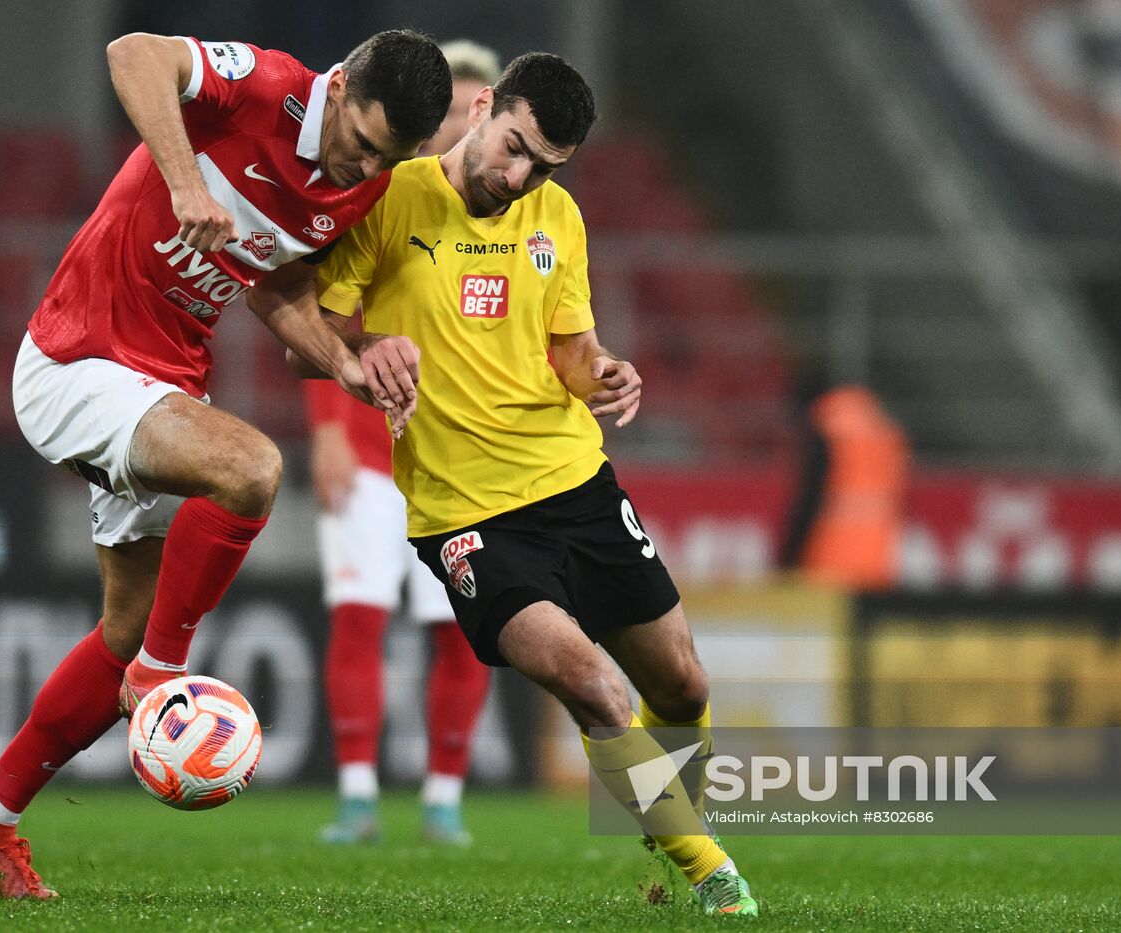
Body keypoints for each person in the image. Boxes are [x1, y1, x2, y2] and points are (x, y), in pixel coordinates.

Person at [0, 30, 452, 900]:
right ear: (339, 85)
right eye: (360, 140)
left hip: (161, 382)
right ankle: (166, 674)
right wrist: (182, 180)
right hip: (79, 361)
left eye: (384, 158)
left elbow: (273, 283)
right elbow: (132, 52)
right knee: (251, 468)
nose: (361, 163)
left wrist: (348, 365)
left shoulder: (361, 189)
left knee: (124, 632)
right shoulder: (266, 87)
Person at [301, 52, 759, 917]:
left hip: (573, 480)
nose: (518, 177)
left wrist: (607, 372)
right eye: (513, 148)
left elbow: (573, 353)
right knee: (593, 685)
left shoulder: (556, 217)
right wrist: (360, 352)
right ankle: (709, 870)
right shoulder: (392, 198)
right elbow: (308, 338)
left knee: (686, 687)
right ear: (483, 108)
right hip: (466, 513)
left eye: (542, 166)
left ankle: (671, 827)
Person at [303, 39, 501, 848]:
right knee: (359, 619)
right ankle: (357, 794)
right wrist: (324, 432)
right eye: (450, 108)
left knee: (459, 632)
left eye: (476, 110)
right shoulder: (381, 193)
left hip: (456, 463)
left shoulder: (519, 215)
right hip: (368, 446)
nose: (463, 122)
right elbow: (319, 314)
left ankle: (442, 799)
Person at [779, 375, 909, 590]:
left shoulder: (829, 431)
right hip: (877, 562)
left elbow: (811, 499)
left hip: (831, 560)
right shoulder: (882, 429)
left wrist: (789, 559)